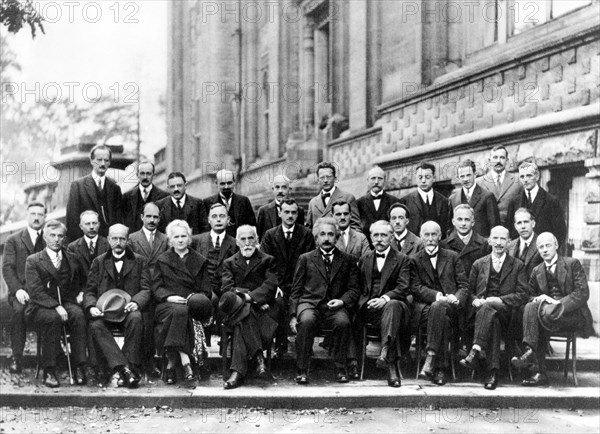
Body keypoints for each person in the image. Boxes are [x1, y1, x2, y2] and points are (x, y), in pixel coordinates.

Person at [511, 232, 594, 386]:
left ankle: (530, 353)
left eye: (548, 245)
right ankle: (537, 368)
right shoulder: (537, 270)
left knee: (540, 316)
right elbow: (528, 295)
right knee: (531, 307)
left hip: (572, 317)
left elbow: (582, 293)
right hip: (546, 318)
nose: (545, 250)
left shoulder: (572, 263)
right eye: (541, 247)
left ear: (556, 245)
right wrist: (539, 299)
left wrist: (556, 303)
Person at [289, 217, 361, 384]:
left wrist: (342, 301)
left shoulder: (347, 260)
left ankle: (341, 367)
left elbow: (354, 289)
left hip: (334, 305)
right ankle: (302, 368)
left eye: (331, 234)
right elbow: (296, 290)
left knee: (343, 322)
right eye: (322, 234)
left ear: (337, 238)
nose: (327, 238)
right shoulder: (305, 259)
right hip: (309, 303)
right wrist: (293, 314)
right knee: (306, 321)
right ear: (316, 238)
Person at [459, 226, 527, 390]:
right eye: (495, 238)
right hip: (482, 315)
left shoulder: (518, 265)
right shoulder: (478, 264)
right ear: (489, 241)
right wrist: (474, 300)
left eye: (502, 239)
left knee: (491, 307)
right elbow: (469, 291)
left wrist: (499, 299)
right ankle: (493, 372)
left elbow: (523, 294)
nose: (498, 243)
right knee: (493, 321)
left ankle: (475, 350)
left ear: (509, 242)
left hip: (507, 314)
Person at [84, 224, 152, 388]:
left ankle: (129, 366)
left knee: (136, 318)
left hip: (128, 310)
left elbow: (146, 289)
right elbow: (90, 291)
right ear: (108, 239)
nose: (118, 242)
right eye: (114, 238)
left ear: (128, 240)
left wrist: (136, 302)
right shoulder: (98, 262)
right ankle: (125, 369)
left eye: (122, 238)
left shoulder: (139, 260)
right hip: (106, 312)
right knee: (95, 324)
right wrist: (92, 306)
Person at [24, 220, 87, 387]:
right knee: (52, 318)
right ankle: (49, 370)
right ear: (45, 237)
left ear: (65, 238)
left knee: (79, 315)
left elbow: (83, 281)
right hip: (41, 305)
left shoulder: (73, 259)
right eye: (52, 235)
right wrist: (56, 306)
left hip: (67, 301)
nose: (56, 239)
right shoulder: (33, 260)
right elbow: (35, 292)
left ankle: (79, 365)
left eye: (60, 236)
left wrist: (81, 293)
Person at [153, 220, 214, 385]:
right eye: (176, 236)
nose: (180, 240)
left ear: (189, 238)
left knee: (183, 311)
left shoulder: (199, 260)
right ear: (170, 240)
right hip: (167, 305)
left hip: (190, 304)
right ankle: (185, 359)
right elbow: (156, 287)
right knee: (180, 311)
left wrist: (192, 299)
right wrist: (168, 297)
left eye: (183, 236)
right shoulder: (162, 259)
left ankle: (172, 361)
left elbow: (206, 290)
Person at [220, 225, 279, 389]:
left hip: (262, 313)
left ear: (257, 240)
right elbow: (227, 290)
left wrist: (246, 296)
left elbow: (270, 285)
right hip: (252, 307)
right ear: (237, 242)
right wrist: (253, 298)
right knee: (245, 312)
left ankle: (236, 372)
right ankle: (259, 358)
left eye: (250, 238)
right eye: (243, 239)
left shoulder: (268, 260)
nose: (247, 243)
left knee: (243, 318)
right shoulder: (229, 263)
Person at [411, 221, 469, 386]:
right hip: (424, 309)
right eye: (426, 235)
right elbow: (415, 288)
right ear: (421, 237)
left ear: (440, 236)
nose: (430, 238)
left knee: (441, 311)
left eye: (434, 234)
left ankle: (430, 358)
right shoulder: (414, 260)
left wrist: (457, 298)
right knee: (440, 314)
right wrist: (437, 296)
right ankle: (440, 368)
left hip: (451, 307)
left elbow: (463, 285)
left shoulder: (452, 256)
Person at [357, 221, 411, 387]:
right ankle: (387, 362)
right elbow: (358, 286)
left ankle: (387, 354)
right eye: (375, 235)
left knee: (392, 306)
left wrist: (384, 299)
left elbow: (404, 287)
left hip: (395, 307)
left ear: (392, 237)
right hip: (370, 308)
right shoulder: (364, 259)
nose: (379, 239)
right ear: (371, 237)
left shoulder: (402, 259)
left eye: (383, 235)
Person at [260, 199, 315, 358]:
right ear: (279, 213)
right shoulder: (270, 235)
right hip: (279, 284)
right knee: (278, 302)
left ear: (298, 214)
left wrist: (303, 285)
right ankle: (280, 344)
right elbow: (266, 263)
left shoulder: (306, 234)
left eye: (293, 212)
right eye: (287, 212)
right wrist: (274, 285)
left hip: (301, 284)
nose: (290, 216)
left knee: (304, 305)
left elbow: (311, 263)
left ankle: (305, 344)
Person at [2, 201, 47, 374]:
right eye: (33, 214)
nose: (36, 218)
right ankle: (16, 357)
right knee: (19, 311)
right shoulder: (14, 240)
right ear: (27, 215)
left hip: (43, 293)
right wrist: (17, 290)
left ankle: (52, 356)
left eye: (40, 214)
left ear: (45, 217)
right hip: (20, 292)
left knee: (52, 314)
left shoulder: (49, 239)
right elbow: (7, 268)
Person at [127, 202, 170, 379]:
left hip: (159, 290)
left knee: (158, 323)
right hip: (140, 290)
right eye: (149, 216)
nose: (152, 220)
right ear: (142, 217)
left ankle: (156, 361)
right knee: (141, 321)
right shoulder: (131, 239)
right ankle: (138, 363)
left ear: (160, 218)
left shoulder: (166, 239)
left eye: (156, 217)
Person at [66, 144, 123, 241]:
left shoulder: (115, 189)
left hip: (107, 244)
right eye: (99, 160)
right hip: (84, 243)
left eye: (106, 160)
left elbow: (118, 221)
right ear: (92, 161)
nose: (103, 163)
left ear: (109, 163)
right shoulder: (78, 186)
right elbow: (72, 221)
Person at [506, 161, 567, 247]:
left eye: (529, 175)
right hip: (519, 254)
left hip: (542, 254)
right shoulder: (514, 202)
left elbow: (560, 233)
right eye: (522, 176)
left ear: (537, 176)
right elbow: (510, 231)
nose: (525, 180)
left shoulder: (551, 201)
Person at [192, 203, 238, 298]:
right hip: (202, 292)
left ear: (228, 219)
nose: (218, 220)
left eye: (222, 216)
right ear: (209, 220)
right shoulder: (196, 241)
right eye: (214, 216)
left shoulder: (235, 244)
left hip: (226, 293)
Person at [67, 211, 110, 304]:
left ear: (99, 224)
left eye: (94, 223)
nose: (91, 227)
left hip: (105, 291)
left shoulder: (108, 244)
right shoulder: (72, 247)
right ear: (81, 227)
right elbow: (74, 276)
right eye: (87, 224)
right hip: (83, 292)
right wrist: (81, 292)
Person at [448, 159, 499, 237]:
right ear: (458, 178)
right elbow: (450, 227)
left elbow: (494, 226)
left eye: (468, 175)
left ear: (475, 174)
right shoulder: (453, 199)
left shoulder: (487, 196)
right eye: (462, 176)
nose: (465, 179)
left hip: (481, 245)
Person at [399, 162, 450, 238]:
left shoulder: (444, 201)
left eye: (427, 177)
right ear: (416, 178)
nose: (423, 181)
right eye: (420, 177)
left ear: (434, 178)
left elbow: (447, 228)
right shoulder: (405, 201)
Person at [306, 162, 361, 231]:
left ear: (335, 178)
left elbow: (356, 227)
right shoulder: (313, 203)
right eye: (322, 177)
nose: (325, 180)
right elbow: (309, 228)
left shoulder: (348, 198)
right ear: (318, 180)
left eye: (329, 177)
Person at [477, 146, 522, 227]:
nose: (498, 161)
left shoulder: (518, 181)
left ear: (507, 160)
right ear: (489, 160)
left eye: (502, 157)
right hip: (487, 232)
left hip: (511, 231)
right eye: (495, 157)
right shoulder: (479, 182)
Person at [204, 169, 256, 238]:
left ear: (234, 182)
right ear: (216, 183)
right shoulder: (207, 203)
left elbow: (252, 226)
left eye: (229, 183)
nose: (226, 187)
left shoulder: (244, 201)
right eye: (222, 183)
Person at [356, 166, 400, 243]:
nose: (376, 182)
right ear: (367, 181)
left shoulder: (394, 201)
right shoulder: (359, 202)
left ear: (385, 181)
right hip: (366, 246)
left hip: (388, 245)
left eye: (380, 178)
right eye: (373, 178)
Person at [121, 161, 169, 231]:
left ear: (154, 175)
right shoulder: (126, 197)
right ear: (137, 175)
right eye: (142, 173)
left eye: (148, 174)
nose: (145, 177)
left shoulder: (164, 196)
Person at [257, 174, 305, 240]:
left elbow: (301, 235)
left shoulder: (299, 210)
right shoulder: (263, 211)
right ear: (273, 189)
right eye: (277, 187)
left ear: (289, 190)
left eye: (284, 187)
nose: (280, 191)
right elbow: (259, 236)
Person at [507, 208, 543, 279]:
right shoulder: (510, 245)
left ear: (533, 224)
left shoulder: (542, 244)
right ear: (515, 226)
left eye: (526, 222)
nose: (523, 226)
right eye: (519, 223)